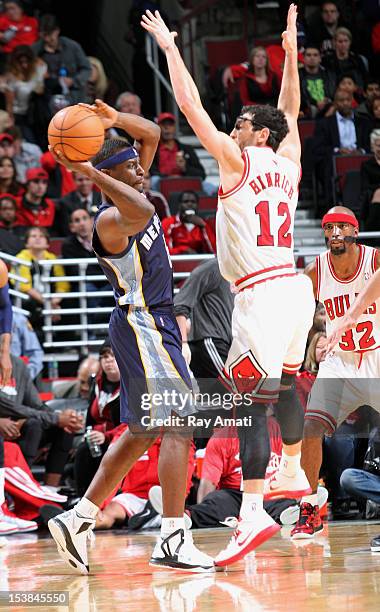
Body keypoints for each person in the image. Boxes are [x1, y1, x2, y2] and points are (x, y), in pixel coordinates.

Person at [142, 4, 315, 566]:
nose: (232, 125)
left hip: (261, 294)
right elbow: (290, 110)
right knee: (287, 385)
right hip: (294, 288)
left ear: (255, 133)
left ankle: (252, 512)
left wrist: (170, 49)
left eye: (241, 122)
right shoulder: (287, 159)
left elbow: (189, 106)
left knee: (249, 407)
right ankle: (291, 469)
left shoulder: (235, 161)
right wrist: (289, 55)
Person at [47, 99, 214, 574]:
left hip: (146, 322)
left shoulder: (129, 192)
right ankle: (173, 538)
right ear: (112, 177)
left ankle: (78, 517)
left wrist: (114, 120)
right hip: (144, 322)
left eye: (140, 167)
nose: (143, 172)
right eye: (132, 169)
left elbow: (154, 136)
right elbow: (139, 206)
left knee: (142, 430)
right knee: (181, 423)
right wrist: (90, 171)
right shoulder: (109, 219)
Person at [290, 205, 380, 539]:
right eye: (329, 227)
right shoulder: (316, 271)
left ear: (355, 232)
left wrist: (352, 316)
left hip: (375, 357)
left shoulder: (373, 260)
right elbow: (296, 307)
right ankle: (311, 507)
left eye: (343, 226)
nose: (336, 232)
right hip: (340, 362)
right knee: (311, 426)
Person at [32, 14, 91, 106]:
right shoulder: (35, 49)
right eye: (44, 35)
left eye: (50, 35)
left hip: (72, 96)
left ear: (57, 31)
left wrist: (73, 81)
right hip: (47, 97)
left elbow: (86, 69)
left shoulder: (72, 47)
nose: (47, 39)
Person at [4, 45, 47, 143]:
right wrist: (11, 121)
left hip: (37, 114)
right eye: (21, 62)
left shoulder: (40, 68)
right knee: (31, 141)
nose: (25, 65)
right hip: (21, 116)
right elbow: (9, 104)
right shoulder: (12, 78)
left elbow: (43, 88)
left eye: (27, 62)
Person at [222, 46, 280, 111]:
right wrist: (262, 108)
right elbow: (245, 102)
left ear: (267, 61)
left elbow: (281, 96)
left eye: (264, 57)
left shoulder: (274, 76)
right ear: (252, 60)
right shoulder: (246, 79)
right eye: (257, 56)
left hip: (275, 112)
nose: (260, 59)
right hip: (255, 113)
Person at [162, 191, 216, 255]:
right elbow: (164, 251)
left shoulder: (203, 224)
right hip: (176, 262)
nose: (189, 204)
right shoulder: (168, 222)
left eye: (193, 202)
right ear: (179, 205)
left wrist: (203, 227)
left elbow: (214, 251)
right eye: (186, 202)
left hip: (200, 262)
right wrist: (183, 250)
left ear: (197, 205)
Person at [55, 171, 102, 236]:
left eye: (87, 179)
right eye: (80, 180)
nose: (84, 183)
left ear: (93, 180)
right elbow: (66, 230)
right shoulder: (65, 202)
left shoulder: (102, 200)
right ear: (74, 181)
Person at [299, 45, 335, 118]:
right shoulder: (297, 75)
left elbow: (333, 93)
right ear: (304, 58)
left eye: (315, 55)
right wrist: (315, 103)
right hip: (307, 108)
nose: (312, 58)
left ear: (320, 58)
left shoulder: (329, 75)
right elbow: (299, 95)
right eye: (308, 55)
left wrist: (326, 101)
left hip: (327, 106)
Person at [15, 167, 55, 233]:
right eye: (36, 182)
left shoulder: (50, 205)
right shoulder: (16, 203)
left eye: (44, 182)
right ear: (27, 184)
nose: (40, 186)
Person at [360, 128, 380, 230]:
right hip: (371, 196)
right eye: (378, 146)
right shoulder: (367, 165)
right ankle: (371, 231)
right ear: (372, 147)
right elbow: (365, 186)